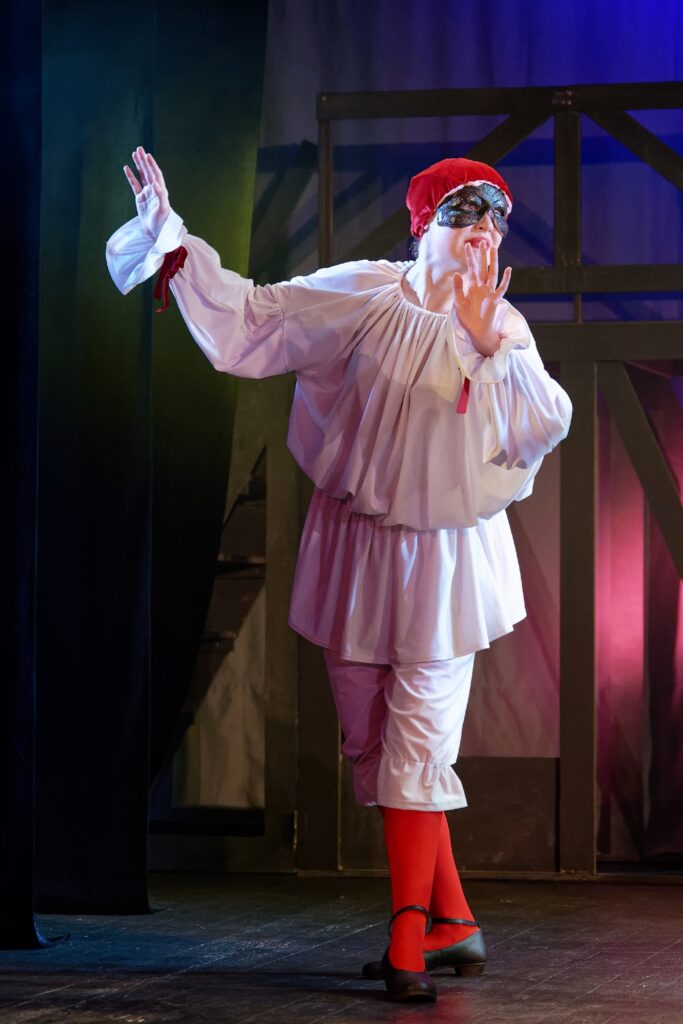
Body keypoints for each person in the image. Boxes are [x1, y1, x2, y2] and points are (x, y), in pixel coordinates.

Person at [106, 147, 572, 1003]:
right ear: (424, 224)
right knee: (371, 744)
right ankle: (455, 921)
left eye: (496, 217)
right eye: (464, 213)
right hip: (355, 548)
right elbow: (259, 318)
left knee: (417, 749)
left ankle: (407, 938)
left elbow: (539, 426)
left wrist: (486, 347)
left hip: (444, 559)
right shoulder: (364, 292)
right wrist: (171, 239)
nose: (483, 230)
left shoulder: (502, 325)